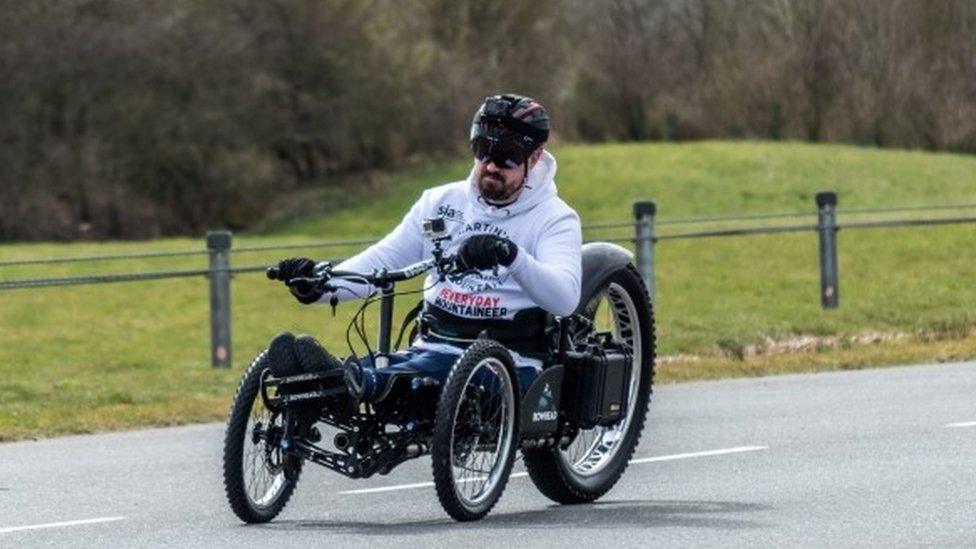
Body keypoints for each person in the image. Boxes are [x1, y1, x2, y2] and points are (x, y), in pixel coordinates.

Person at [272, 93, 582, 402]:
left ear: (536, 156)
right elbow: (385, 260)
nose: (490, 165)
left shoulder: (555, 218)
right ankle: (335, 385)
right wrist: (319, 285)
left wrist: (510, 254)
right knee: (414, 369)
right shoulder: (439, 202)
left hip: (508, 362)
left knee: (421, 380)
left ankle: (347, 384)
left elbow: (564, 299)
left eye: (507, 156)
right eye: (482, 150)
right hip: (432, 348)